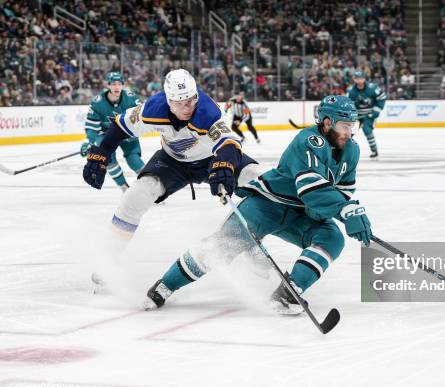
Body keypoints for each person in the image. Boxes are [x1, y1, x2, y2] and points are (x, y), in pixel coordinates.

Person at [144, 95, 372, 314]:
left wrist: (347, 212)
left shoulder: (352, 150)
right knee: (222, 247)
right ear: (327, 122)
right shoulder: (308, 141)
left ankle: (288, 294)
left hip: (302, 214)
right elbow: (311, 188)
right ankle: (165, 285)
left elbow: (343, 190)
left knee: (332, 239)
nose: (349, 132)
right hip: (267, 205)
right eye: (344, 126)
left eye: (352, 126)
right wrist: (345, 210)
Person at [82, 69, 260, 285]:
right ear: (168, 101)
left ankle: (254, 243)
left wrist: (224, 165)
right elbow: (121, 125)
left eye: (190, 99)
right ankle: (108, 262)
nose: (188, 107)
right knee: (134, 197)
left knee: (258, 180)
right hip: (173, 161)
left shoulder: (206, 110)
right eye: (180, 102)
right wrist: (102, 151)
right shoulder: (152, 109)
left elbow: (229, 143)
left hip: (212, 157)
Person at [81, 72, 144, 191]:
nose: (116, 87)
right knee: (107, 159)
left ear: (123, 85)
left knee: (134, 159)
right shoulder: (98, 102)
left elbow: (141, 117)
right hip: (106, 135)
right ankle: (124, 188)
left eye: (119, 84)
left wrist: (134, 130)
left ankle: (150, 186)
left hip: (127, 133)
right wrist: (89, 142)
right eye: (113, 84)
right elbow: (91, 127)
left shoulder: (131, 98)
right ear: (108, 85)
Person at [347, 70, 386, 159]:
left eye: (361, 78)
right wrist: (353, 110)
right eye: (357, 79)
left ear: (364, 79)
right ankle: (345, 151)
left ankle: (374, 151)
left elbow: (382, 98)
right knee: (350, 132)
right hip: (356, 116)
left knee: (367, 130)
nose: (359, 81)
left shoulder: (372, 88)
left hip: (369, 114)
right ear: (354, 79)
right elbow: (348, 104)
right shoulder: (351, 91)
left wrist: (375, 112)